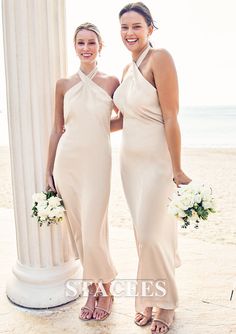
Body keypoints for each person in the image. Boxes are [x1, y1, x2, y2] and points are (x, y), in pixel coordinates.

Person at [113, 2, 191, 333]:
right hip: (130, 163)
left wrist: (177, 168)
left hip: (158, 163)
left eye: (136, 27)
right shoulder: (126, 70)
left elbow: (171, 115)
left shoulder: (160, 59)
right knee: (143, 236)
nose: (130, 33)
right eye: (124, 27)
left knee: (152, 234)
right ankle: (148, 294)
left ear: (149, 29)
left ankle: (167, 304)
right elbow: (123, 120)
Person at [45, 22, 119, 321]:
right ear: (74, 47)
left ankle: (108, 289)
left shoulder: (112, 82)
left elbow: (125, 119)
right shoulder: (63, 84)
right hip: (68, 163)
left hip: (98, 163)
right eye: (80, 43)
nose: (86, 48)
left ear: (101, 46)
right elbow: (57, 129)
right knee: (78, 230)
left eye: (91, 42)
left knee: (94, 231)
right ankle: (92, 289)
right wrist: (48, 172)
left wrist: (101, 130)